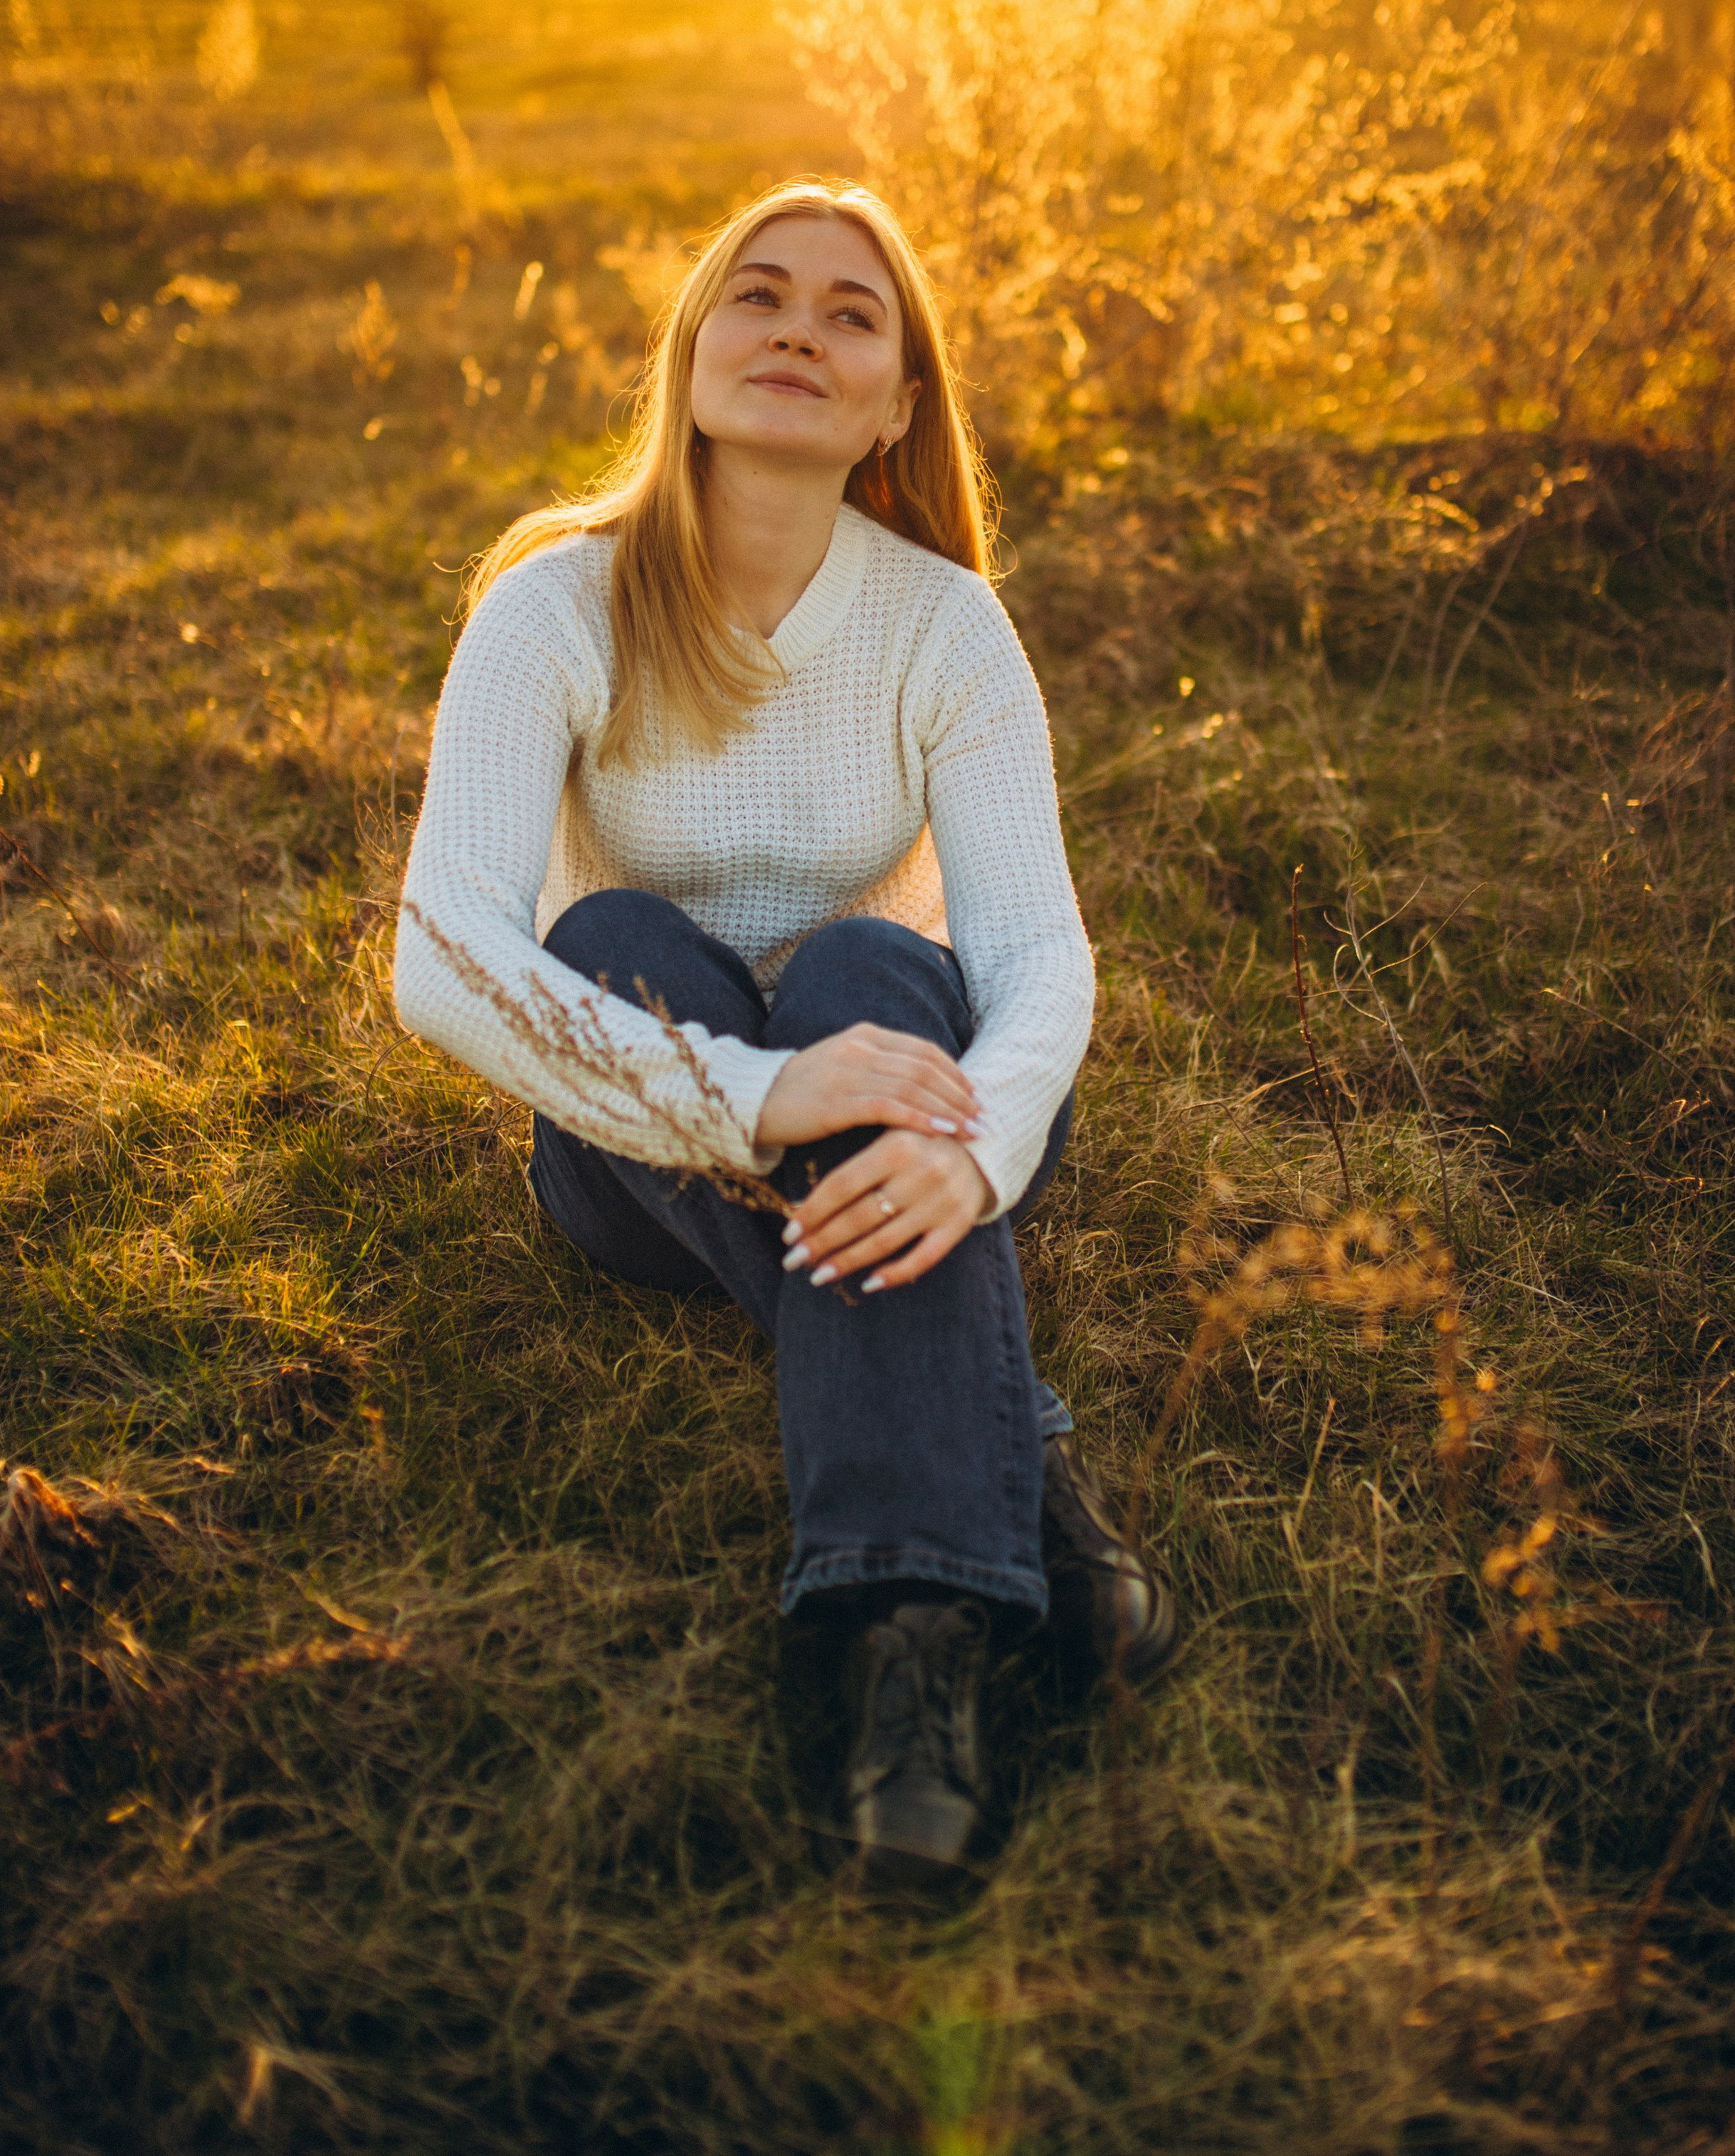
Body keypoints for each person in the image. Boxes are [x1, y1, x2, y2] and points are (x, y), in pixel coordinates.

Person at [393, 178, 1176, 1885]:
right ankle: (1019, 1460)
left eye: (850, 311)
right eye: (757, 296)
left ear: (897, 405)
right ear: (689, 359)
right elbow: (445, 952)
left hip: (912, 1140)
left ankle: (914, 1655)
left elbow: (1038, 957)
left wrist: (981, 1146)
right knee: (603, 937)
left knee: (877, 979)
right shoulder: (552, 607)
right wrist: (748, 1092)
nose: (798, 331)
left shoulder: (946, 628)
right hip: (638, 1162)